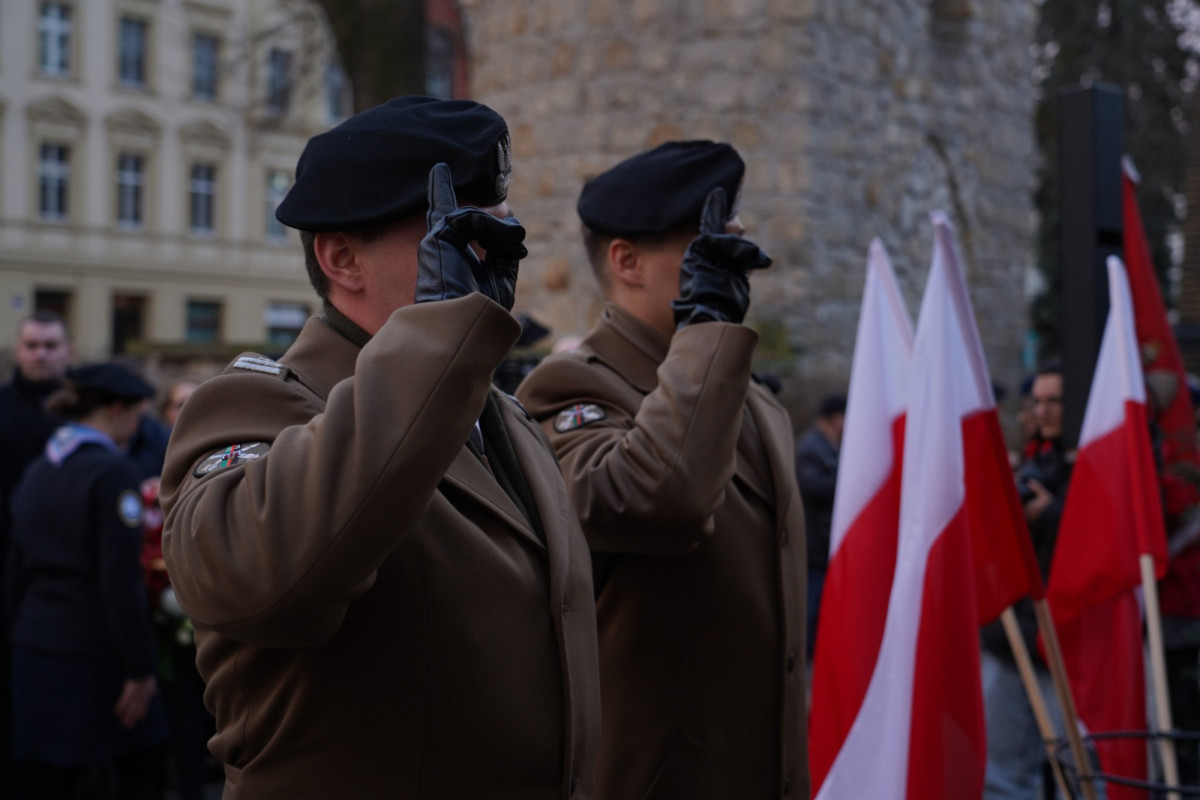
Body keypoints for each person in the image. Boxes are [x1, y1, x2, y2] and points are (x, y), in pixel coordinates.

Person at [160, 96, 600, 799]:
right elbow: (257, 581)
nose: (502, 236)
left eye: (499, 216)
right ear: (342, 257)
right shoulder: (256, 406)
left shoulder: (504, 417)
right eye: (455, 225)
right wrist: (437, 341)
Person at [516, 140, 809, 799]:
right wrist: (705, 327)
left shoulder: (755, 400)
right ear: (627, 261)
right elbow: (656, 501)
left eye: (731, 240)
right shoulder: (570, 387)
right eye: (705, 247)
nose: (732, 264)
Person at [7, 362, 169, 800]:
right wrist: (139, 669)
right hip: (93, 655)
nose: (139, 425)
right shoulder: (112, 473)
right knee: (143, 766)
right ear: (117, 408)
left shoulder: (39, 470)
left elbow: (16, 569)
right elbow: (120, 583)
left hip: (35, 647)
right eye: (138, 412)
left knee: (43, 779)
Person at [981, 362, 1071, 800]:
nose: (1043, 410)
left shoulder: (1098, 462)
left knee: (1082, 769)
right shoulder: (1036, 461)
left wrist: (1053, 515)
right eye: (1037, 401)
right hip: (1011, 634)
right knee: (1001, 772)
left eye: (1055, 401)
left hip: (1067, 640)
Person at [0, 310, 72, 795]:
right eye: (32, 345)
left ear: (66, 351)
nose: (40, 354)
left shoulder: (84, 410)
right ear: (18, 350)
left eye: (50, 345)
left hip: (70, 574)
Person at [795, 392, 845, 660]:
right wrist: (847, 477)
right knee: (810, 608)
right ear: (835, 417)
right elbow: (811, 487)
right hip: (815, 546)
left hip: (826, 545)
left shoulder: (832, 447)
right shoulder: (810, 447)